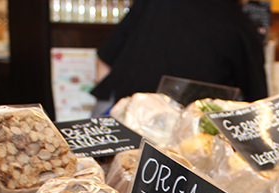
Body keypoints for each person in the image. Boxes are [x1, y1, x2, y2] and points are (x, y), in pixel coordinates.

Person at [91, 0, 268, 112]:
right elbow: (259, 107)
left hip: (127, 125)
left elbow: (104, 62)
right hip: (187, 148)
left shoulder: (154, 3)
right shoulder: (241, 26)